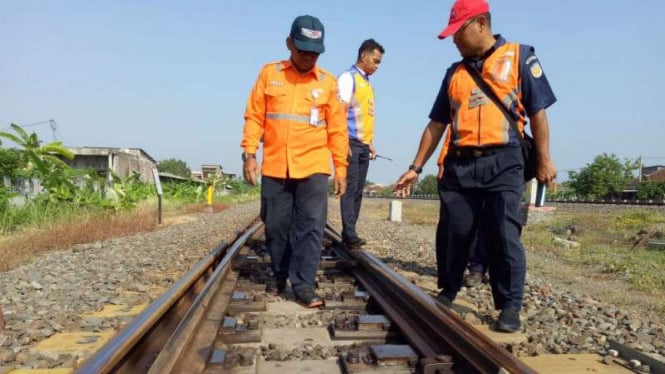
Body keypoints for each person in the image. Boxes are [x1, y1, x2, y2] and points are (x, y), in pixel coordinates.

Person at [393, 0, 557, 332]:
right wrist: (416, 166)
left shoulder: (520, 56)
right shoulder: (454, 73)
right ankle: (450, 288)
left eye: (459, 32)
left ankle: (509, 305)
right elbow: (436, 124)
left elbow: (538, 113)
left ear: (481, 23)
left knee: (503, 233)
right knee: (456, 231)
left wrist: (544, 159)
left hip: (505, 162)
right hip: (461, 164)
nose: (454, 40)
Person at [240, 15, 349, 308]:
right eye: (302, 50)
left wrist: (341, 168)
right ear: (289, 44)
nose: (308, 57)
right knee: (275, 225)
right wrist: (250, 154)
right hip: (275, 164)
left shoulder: (328, 83)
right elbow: (254, 116)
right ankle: (281, 272)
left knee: (312, 226)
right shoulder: (269, 74)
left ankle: (303, 285)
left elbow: (338, 129)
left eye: (314, 52)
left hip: (313, 166)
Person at [338, 39, 385, 248]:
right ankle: (349, 233)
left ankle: (350, 231)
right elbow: (340, 112)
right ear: (364, 56)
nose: (377, 66)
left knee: (358, 190)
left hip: (363, 145)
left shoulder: (368, 84)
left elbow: (364, 117)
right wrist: (342, 142)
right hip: (350, 143)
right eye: (375, 61)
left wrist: (370, 143)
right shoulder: (349, 79)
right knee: (350, 189)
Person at [436, 130, 487, 288]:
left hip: (497, 165)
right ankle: (457, 273)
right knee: (458, 222)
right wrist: (442, 162)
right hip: (461, 165)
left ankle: (479, 268)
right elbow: (452, 131)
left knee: (488, 223)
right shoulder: (461, 108)